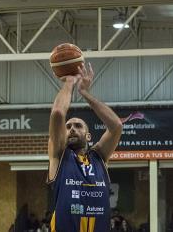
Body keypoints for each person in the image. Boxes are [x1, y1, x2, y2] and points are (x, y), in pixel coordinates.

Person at [47, 61, 123, 232]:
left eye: (78, 126)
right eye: (68, 127)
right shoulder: (59, 155)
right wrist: (69, 82)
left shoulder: (99, 157)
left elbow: (116, 126)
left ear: (89, 136)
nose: (72, 128)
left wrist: (84, 93)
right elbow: (58, 112)